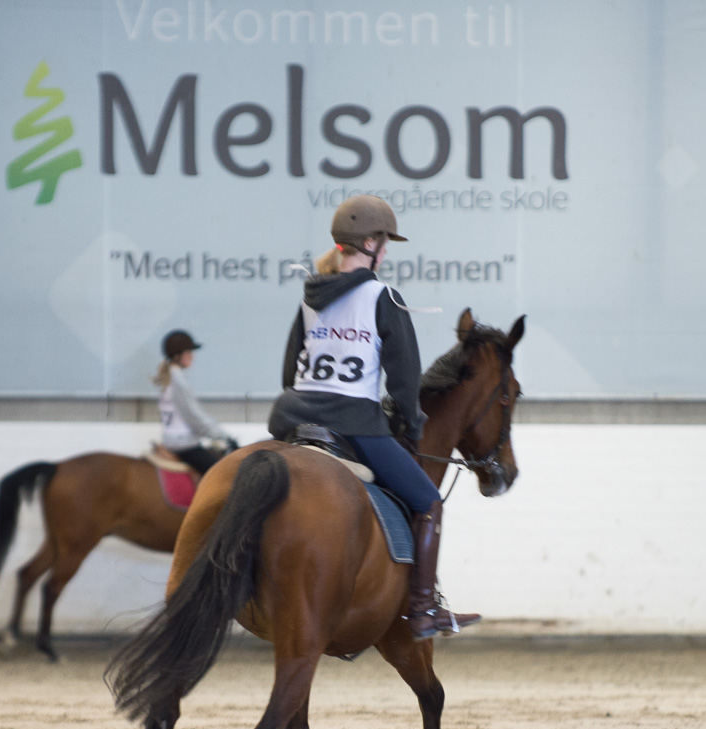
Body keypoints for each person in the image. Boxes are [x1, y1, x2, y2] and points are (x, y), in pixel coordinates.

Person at [267, 194, 479, 641]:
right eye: (386, 243)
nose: (387, 252)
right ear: (371, 243)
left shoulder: (310, 296)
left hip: (294, 418)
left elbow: (289, 371)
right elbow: (404, 381)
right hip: (354, 422)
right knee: (428, 502)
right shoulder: (383, 297)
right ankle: (422, 609)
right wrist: (412, 425)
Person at [154, 330, 235, 475]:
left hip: (172, 440)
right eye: (188, 352)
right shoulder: (178, 380)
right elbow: (194, 416)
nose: (192, 356)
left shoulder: (167, 376)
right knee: (220, 474)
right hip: (183, 443)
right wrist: (223, 436)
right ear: (177, 356)